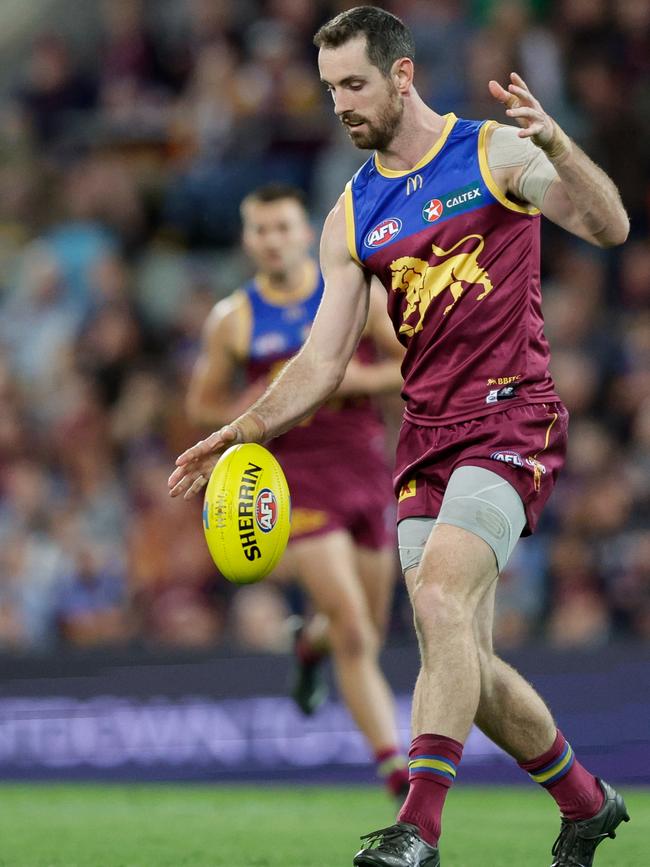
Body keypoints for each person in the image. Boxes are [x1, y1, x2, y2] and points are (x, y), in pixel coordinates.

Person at [169, 7, 631, 866]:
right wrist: (242, 427)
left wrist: (562, 146)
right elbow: (322, 360)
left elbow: (609, 227)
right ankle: (586, 801)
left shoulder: (491, 152)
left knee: (437, 601)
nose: (339, 104)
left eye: (354, 84)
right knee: (466, 659)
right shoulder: (351, 212)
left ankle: (417, 828)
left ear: (402, 74)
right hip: (425, 439)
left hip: (511, 413)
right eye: (329, 89)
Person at [186, 182, 410, 801]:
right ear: (247, 238)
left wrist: (343, 376)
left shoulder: (352, 297)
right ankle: (396, 772)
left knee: (362, 621)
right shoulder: (234, 318)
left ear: (304, 230)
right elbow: (201, 402)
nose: (273, 240)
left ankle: (308, 645)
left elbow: (408, 363)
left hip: (365, 471)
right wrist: (265, 402)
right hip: (290, 480)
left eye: (283, 227)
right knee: (357, 631)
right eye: (261, 229)